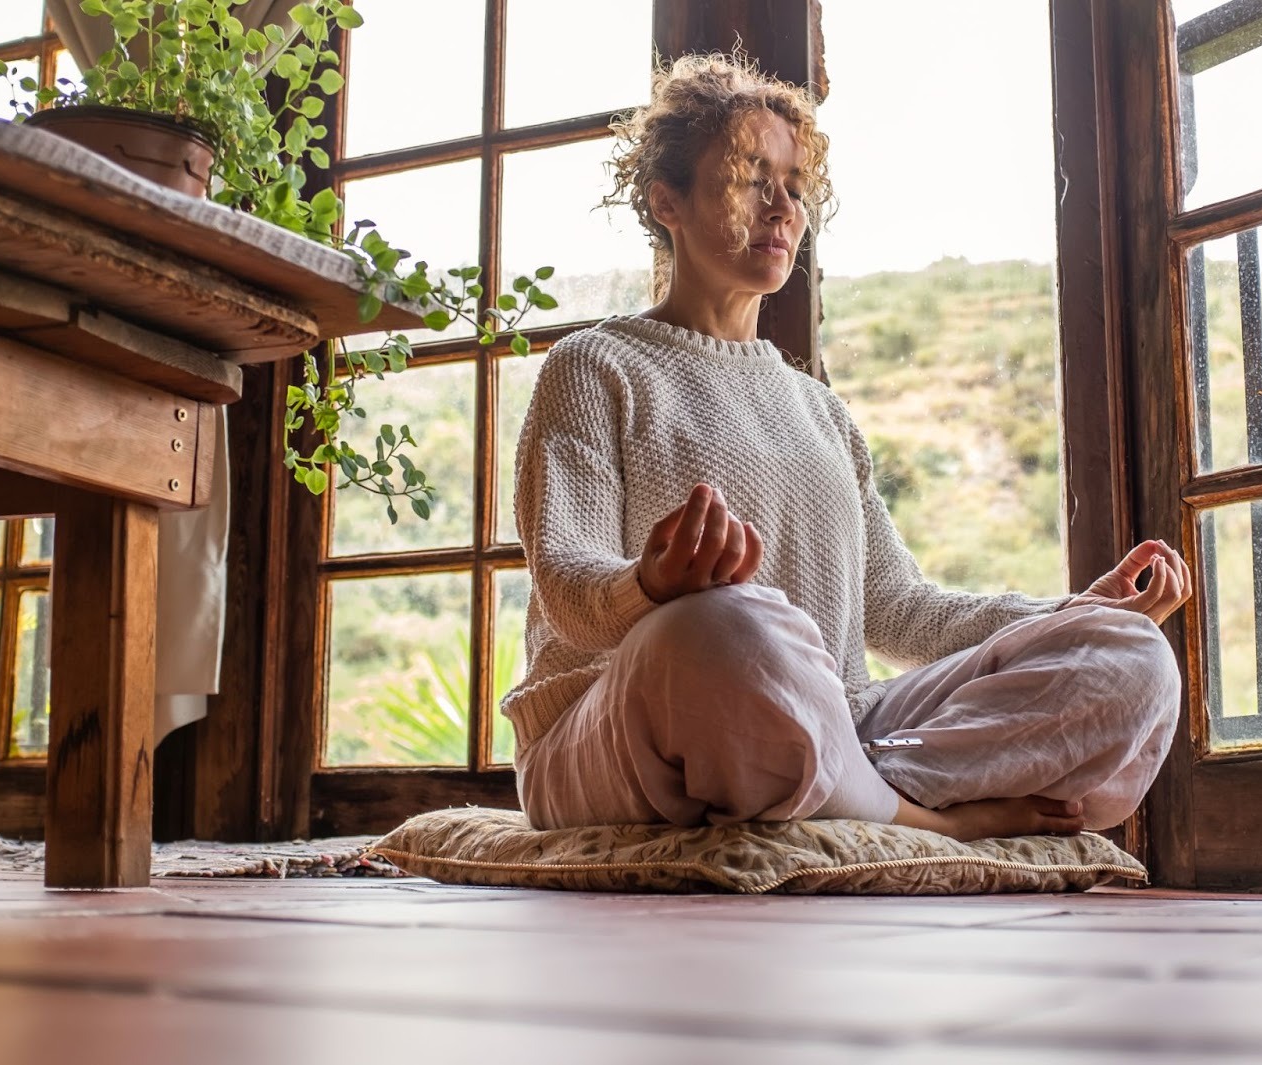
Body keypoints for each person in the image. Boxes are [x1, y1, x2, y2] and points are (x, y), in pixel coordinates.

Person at [502, 53, 1188, 842]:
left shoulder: (820, 410)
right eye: (751, 177)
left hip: (826, 728)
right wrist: (650, 586)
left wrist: (1075, 610)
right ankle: (924, 816)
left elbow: (903, 610)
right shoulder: (595, 366)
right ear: (668, 200)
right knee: (716, 629)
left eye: (794, 186)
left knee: (1128, 656)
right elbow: (565, 583)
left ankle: (853, 792)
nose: (782, 207)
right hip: (619, 732)